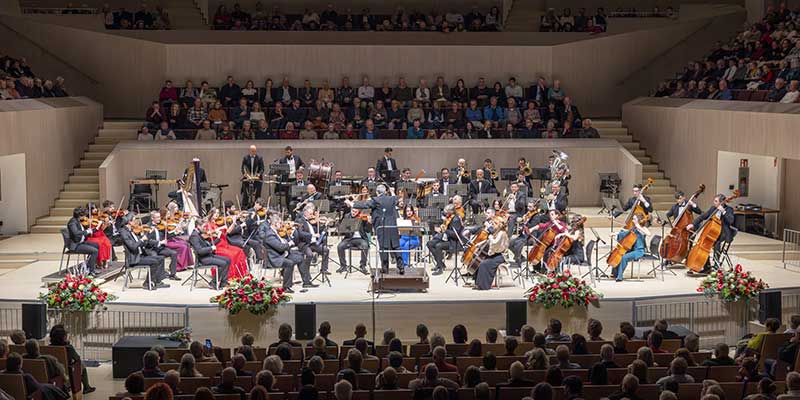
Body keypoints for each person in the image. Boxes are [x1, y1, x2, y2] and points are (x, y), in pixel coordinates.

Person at [346, 184, 405, 274]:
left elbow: (365, 204)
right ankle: (401, 267)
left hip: (382, 227)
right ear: (385, 192)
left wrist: (351, 203)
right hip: (393, 226)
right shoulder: (392, 199)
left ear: (377, 192)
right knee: (396, 246)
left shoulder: (376, 200)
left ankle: (385, 268)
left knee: (383, 248)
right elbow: (397, 199)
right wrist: (392, 191)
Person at [686, 193, 736, 274]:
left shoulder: (729, 209)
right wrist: (693, 224)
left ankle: (716, 264)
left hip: (723, 233)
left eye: (716, 201)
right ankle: (707, 267)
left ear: (721, 202)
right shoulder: (713, 208)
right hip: (713, 232)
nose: (714, 203)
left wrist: (723, 211)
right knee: (705, 244)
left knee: (716, 243)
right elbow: (703, 216)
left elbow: (730, 221)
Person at [260, 214, 310, 293]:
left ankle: (306, 282)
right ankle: (286, 287)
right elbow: (280, 247)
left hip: (282, 254)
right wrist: (289, 244)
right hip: (275, 258)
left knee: (300, 257)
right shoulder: (269, 235)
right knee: (289, 263)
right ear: (275, 223)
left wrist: (291, 235)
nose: (281, 225)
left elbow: (283, 242)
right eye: (280, 223)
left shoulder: (276, 232)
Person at [120, 219, 169, 290]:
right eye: (135, 222)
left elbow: (143, 244)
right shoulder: (126, 234)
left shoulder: (135, 233)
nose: (138, 224)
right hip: (134, 259)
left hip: (140, 255)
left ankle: (158, 281)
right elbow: (133, 247)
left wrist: (146, 236)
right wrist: (142, 240)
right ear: (130, 223)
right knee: (154, 262)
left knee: (161, 258)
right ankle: (147, 283)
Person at [427, 203, 466, 276]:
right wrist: (441, 229)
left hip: (454, 242)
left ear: (451, 212)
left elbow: (455, 235)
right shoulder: (449, 218)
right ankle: (440, 263)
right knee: (430, 243)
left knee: (438, 246)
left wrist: (445, 230)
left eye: (447, 212)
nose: (445, 214)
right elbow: (446, 229)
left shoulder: (455, 220)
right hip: (447, 238)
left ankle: (440, 268)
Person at [610, 213, 650, 282]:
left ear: (638, 220)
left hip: (639, 251)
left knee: (624, 257)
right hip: (633, 249)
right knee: (620, 255)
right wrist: (615, 233)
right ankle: (615, 273)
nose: (632, 220)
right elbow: (625, 233)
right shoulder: (634, 228)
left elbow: (649, 234)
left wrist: (639, 227)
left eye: (634, 219)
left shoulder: (642, 228)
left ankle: (620, 276)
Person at [474, 216, 510, 290]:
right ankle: (479, 284)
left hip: (501, 256)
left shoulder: (502, 233)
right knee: (480, 261)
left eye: (493, 224)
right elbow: (489, 241)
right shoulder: (497, 232)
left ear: (498, 225)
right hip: (496, 254)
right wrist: (478, 244)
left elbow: (495, 242)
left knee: (484, 264)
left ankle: (484, 286)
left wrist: (490, 237)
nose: (492, 226)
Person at [294, 204, 328, 282]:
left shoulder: (309, 221)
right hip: (304, 244)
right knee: (309, 255)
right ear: (305, 212)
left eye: (312, 214)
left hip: (312, 243)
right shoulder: (300, 221)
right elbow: (301, 233)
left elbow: (317, 230)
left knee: (325, 250)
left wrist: (323, 226)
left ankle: (324, 270)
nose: (311, 215)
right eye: (310, 214)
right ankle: (306, 274)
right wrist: (313, 235)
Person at [145, 211, 180, 281]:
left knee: (174, 253)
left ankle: (172, 274)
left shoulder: (161, 226)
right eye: (157, 217)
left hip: (160, 248)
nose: (159, 219)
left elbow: (167, 236)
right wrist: (160, 242)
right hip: (151, 249)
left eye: (159, 217)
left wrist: (175, 232)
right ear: (152, 218)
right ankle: (157, 276)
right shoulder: (147, 226)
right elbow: (148, 241)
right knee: (156, 258)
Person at [65, 207, 100, 275]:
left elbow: (84, 232)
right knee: (95, 251)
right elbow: (76, 233)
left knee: (96, 245)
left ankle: (89, 265)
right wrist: (86, 231)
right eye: (84, 215)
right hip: (75, 245)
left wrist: (95, 229)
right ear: (80, 216)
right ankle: (91, 270)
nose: (85, 217)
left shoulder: (78, 221)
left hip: (81, 242)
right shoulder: (72, 222)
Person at [337, 207, 371, 275]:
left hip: (360, 238)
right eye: (352, 211)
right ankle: (343, 266)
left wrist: (369, 223)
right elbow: (342, 228)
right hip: (349, 238)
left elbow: (368, 230)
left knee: (365, 246)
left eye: (355, 212)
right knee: (340, 246)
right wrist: (346, 228)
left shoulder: (363, 217)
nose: (353, 213)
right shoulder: (347, 216)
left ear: (358, 212)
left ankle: (363, 265)